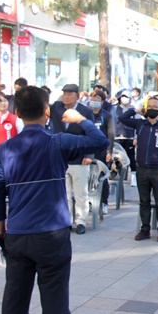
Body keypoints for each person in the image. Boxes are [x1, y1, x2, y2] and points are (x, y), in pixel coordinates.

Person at [0, 86, 109, 314]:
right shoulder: (57, 142)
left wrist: (0, 228)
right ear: (47, 111)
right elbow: (101, 142)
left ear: (17, 112)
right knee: (55, 303)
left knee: (14, 300)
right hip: (52, 235)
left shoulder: (3, 150)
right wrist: (82, 120)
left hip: (18, 235)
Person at [118, 97, 158, 243]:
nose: (152, 109)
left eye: (155, 106)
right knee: (144, 201)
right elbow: (122, 118)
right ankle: (145, 230)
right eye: (149, 106)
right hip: (142, 168)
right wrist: (135, 110)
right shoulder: (140, 124)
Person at [49, 84, 96, 235]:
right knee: (64, 193)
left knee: (80, 193)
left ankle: (81, 221)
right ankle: (66, 220)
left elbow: (91, 134)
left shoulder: (85, 111)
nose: (66, 96)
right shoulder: (56, 107)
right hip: (60, 159)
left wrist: (89, 155)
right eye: (64, 93)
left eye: (70, 94)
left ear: (77, 95)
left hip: (79, 158)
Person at [88, 90, 115, 215]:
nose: (95, 101)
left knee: (102, 177)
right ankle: (88, 202)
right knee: (87, 177)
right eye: (93, 98)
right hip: (88, 150)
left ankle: (104, 202)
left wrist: (110, 150)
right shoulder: (86, 114)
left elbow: (111, 134)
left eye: (97, 99)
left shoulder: (106, 116)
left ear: (102, 102)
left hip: (102, 151)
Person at [114, 91, 138, 187]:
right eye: (122, 97)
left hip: (129, 136)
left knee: (131, 157)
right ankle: (118, 173)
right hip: (117, 136)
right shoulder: (114, 109)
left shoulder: (134, 110)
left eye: (126, 97)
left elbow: (137, 124)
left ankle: (133, 176)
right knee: (116, 157)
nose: (124, 99)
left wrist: (136, 137)